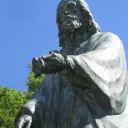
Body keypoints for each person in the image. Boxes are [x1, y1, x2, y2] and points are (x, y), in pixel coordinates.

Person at [15, 0, 128, 128]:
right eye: (61, 13)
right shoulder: (57, 60)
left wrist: (67, 64)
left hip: (93, 121)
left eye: (71, 7)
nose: (66, 13)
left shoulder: (106, 39)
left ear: (84, 13)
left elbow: (106, 66)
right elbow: (43, 95)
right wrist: (29, 111)